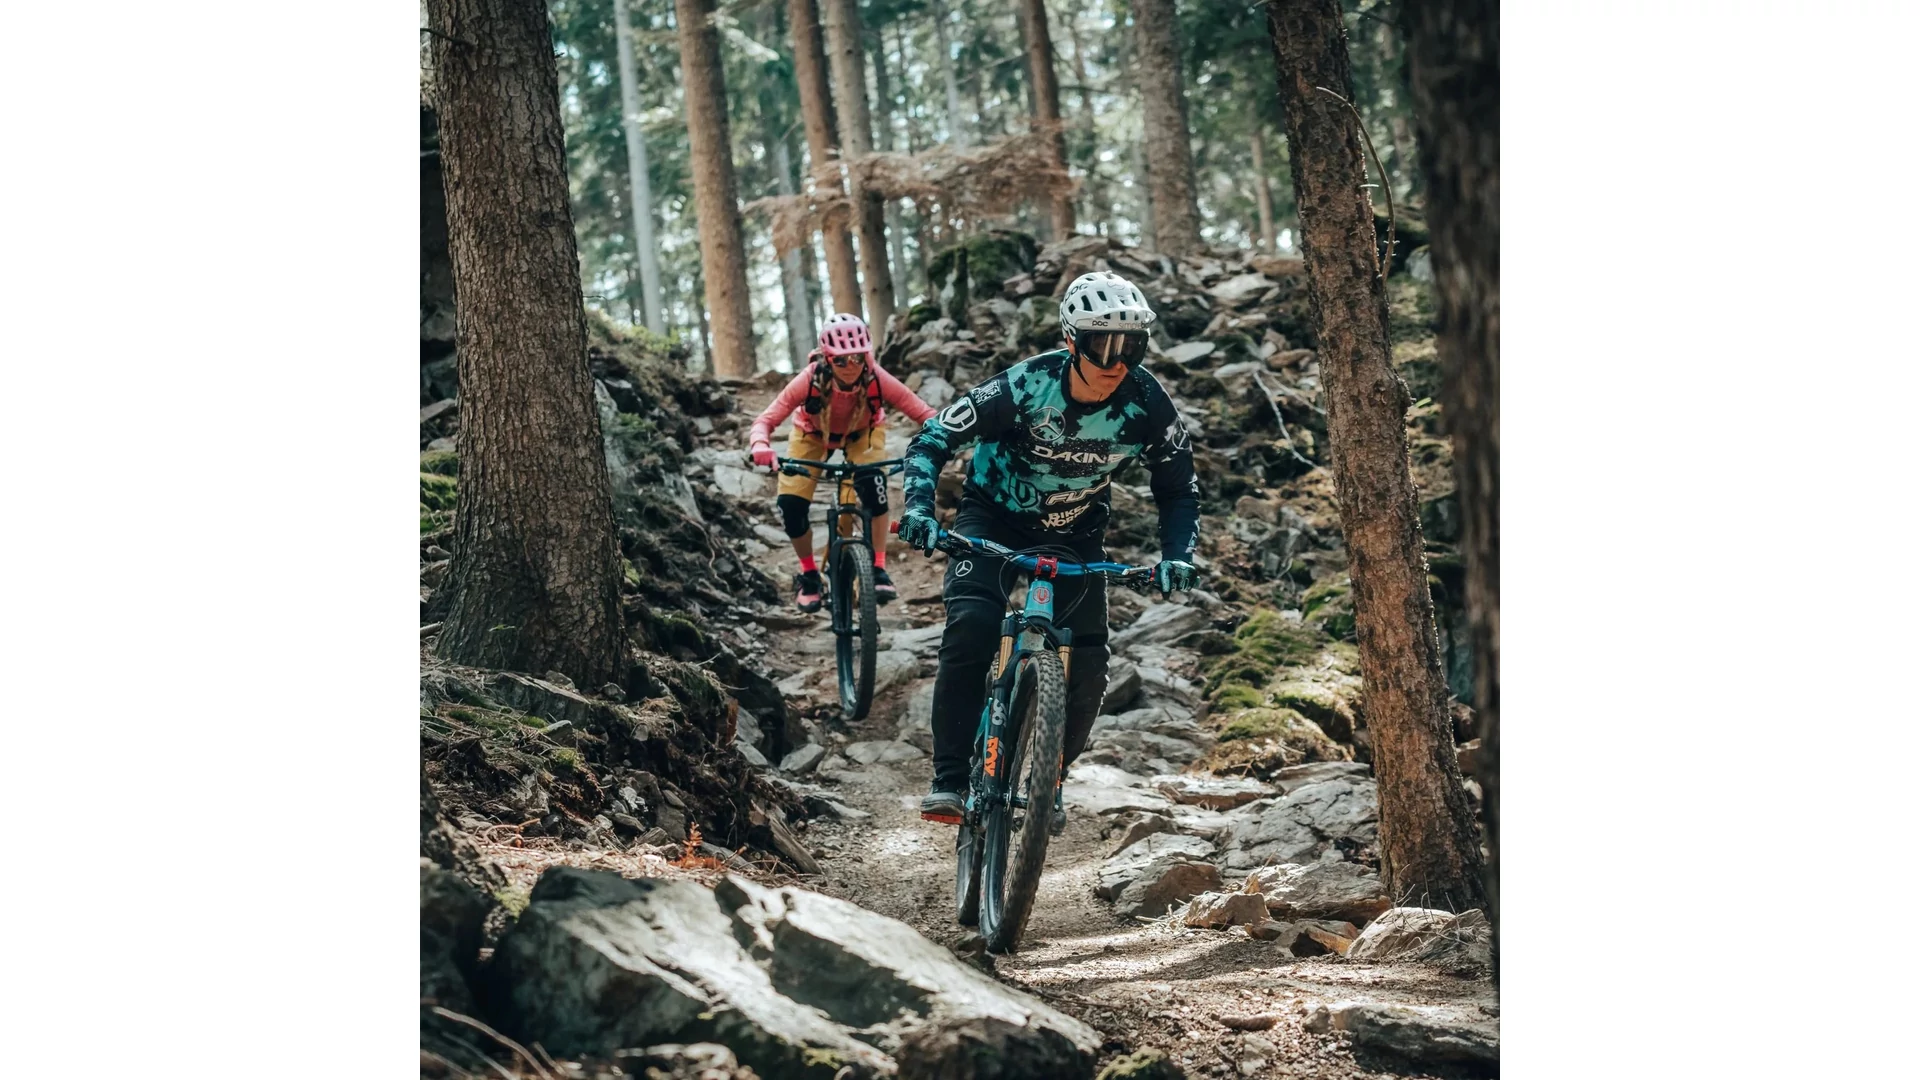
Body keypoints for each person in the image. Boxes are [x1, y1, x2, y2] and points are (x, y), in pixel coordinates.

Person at [896, 271, 1201, 826]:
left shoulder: (1147, 401)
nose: (1116, 362)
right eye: (1101, 344)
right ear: (1070, 341)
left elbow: (1178, 487)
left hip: (1076, 532)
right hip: (992, 519)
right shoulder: (1023, 385)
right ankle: (950, 780)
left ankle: (1048, 779)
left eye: (1132, 346)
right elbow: (933, 438)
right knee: (971, 628)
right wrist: (919, 509)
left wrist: (1177, 555)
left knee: (1090, 663)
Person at [750, 313, 937, 611]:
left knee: (874, 488)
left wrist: (946, 437)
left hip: (864, 433)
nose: (850, 366)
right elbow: (767, 419)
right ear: (827, 359)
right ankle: (809, 574)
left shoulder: (876, 377)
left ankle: (878, 568)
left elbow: (922, 412)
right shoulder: (809, 378)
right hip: (811, 434)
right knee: (791, 504)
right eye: (840, 360)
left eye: (858, 358)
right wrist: (760, 444)